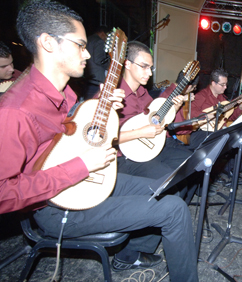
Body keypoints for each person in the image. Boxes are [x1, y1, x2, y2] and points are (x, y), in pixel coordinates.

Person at [0, 1, 198, 281]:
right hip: (58, 206)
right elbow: (3, 193)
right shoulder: (15, 110)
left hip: (88, 179)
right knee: (174, 210)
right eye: (80, 45)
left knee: (165, 186)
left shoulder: (65, 92)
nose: (87, 54)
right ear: (47, 43)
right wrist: (80, 167)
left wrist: (100, 107)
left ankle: (129, 255)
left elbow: (69, 138)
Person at [111, 41, 192, 179]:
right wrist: (140, 132)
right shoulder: (112, 95)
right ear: (127, 64)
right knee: (169, 178)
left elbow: (156, 120)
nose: (149, 73)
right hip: (125, 157)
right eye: (144, 67)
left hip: (152, 146)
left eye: (151, 68)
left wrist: (175, 108)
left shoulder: (143, 93)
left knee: (191, 164)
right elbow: (104, 138)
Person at [187, 68, 240, 150]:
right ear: (213, 83)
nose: (225, 87)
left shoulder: (222, 98)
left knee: (239, 140)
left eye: (226, 84)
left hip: (219, 130)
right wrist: (206, 115)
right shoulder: (201, 96)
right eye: (222, 84)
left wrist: (240, 104)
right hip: (202, 132)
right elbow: (190, 112)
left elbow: (231, 117)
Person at [83, 26, 110, 100]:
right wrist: (110, 64)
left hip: (88, 77)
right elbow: (99, 59)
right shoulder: (99, 41)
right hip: (97, 79)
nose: (106, 38)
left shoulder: (88, 39)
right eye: (106, 35)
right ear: (102, 33)